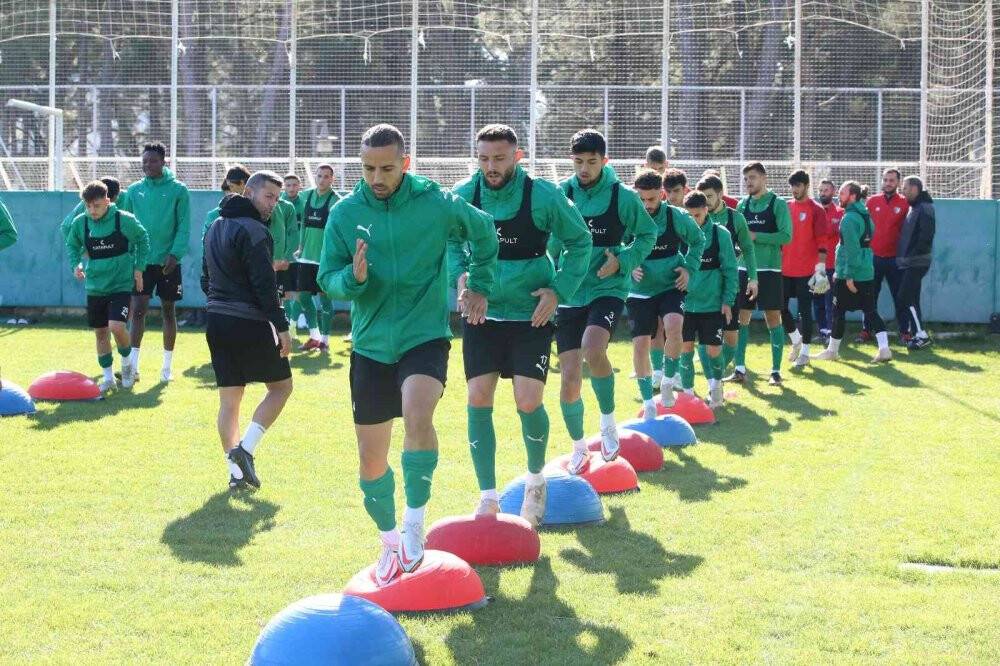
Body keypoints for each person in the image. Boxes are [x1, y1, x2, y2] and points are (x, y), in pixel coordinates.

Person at [317, 124, 497, 586]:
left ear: (406, 163)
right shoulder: (345, 213)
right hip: (371, 346)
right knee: (371, 462)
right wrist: (351, 280)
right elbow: (327, 277)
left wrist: (478, 284)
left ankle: (416, 520)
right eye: (368, 168)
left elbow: (485, 234)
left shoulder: (436, 203)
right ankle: (391, 542)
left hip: (424, 335)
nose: (376, 177)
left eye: (386, 168)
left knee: (418, 416)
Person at [449, 124, 590, 525]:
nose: (490, 167)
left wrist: (558, 290)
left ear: (517, 156)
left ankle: (535, 480)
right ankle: (488, 498)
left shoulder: (543, 195)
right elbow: (449, 243)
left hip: (531, 314)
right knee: (478, 397)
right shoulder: (463, 196)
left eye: (499, 158)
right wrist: (461, 280)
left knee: (528, 400)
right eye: (483, 159)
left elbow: (580, 242)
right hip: (483, 314)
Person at [549, 129, 656, 474]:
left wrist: (623, 260)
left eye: (591, 162)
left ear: (604, 161)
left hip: (607, 287)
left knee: (593, 349)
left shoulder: (621, 195)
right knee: (568, 376)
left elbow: (647, 234)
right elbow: (549, 242)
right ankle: (579, 448)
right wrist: (549, 278)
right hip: (569, 290)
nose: (584, 169)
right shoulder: (561, 193)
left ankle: (608, 422)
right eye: (578, 162)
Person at [202, 171, 293, 492]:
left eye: (278, 200)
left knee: (229, 401)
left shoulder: (214, 226)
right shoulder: (255, 231)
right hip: (248, 321)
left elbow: (205, 278)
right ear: (250, 192)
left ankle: (236, 474)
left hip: (215, 320)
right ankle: (246, 450)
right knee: (281, 388)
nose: (273, 205)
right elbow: (265, 285)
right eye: (269, 197)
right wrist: (281, 327)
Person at [627, 169, 704, 417]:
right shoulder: (629, 216)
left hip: (671, 284)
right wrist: (628, 262)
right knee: (641, 343)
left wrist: (689, 269)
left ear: (661, 195)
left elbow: (698, 240)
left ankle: (669, 380)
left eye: (651, 199)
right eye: (642, 199)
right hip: (639, 290)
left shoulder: (677, 216)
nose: (647, 205)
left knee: (673, 326)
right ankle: (649, 402)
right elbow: (613, 244)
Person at [117, 142, 191, 384]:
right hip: (141, 263)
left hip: (168, 262)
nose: (147, 165)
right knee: (137, 311)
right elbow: (126, 227)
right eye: (145, 161)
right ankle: (132, 368)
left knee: (168, 312)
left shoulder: (178, 190)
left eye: (153, 160)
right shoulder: (134, 191)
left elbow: (183, 225)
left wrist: (175, 254)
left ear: (163, 162)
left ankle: (166, 369)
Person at [65, 181, 149, 392]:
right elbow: (72, 244)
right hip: (95, 286)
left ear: (108, 201)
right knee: (101, 333)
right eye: (88, 206)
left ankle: (128, 362)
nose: (92, 211)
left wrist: (139, 269)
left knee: (117, 327)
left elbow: (142, 239)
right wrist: (76, 264)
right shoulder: (80, 223)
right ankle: (108, 378)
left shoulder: (124, 220)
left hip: (120, 284)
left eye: (97, 206)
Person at [812, 181, 892, 363]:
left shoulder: (848, 219)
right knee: (871, 310)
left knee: (838, 311)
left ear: (853, 196)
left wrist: (847, 275)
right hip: (866, 271)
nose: (839, 196)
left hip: (851, 273)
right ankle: (884, 348)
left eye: (842, 193)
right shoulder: (865, 215)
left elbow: (851, 250)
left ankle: (832, 351)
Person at [732, 161, 792, 386]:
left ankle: (775, 371)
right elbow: (736, 236)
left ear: (764, 178)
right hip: (744, 269)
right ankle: (739, 368)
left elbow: (786, 236)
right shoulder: (741, 205)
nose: (749, 182)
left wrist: (757, 236)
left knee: (773, 318)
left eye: (753, 177)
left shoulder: (778, 204)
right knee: (741, 317)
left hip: (770, 270)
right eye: (746, 178)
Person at [679, 191, 737, 408]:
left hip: (712, 304)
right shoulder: (679, 234)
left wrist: (727, 301)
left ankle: (716, 387)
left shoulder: (721, 234)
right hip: (684, 304)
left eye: (698, 215)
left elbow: (731, 270)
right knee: (685, 349)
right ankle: (687, 395)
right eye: (690, 215)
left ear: (706, 210)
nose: (694, 219)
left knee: (714, 350)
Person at [696, 174, 758, 378]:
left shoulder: (735, 217)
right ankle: (713, 382)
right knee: (705, 339)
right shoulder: (695, 218)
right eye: (702, 197)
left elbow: (748, 248)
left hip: (729, 285)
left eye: (709, 196)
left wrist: (753, 278)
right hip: (702, 287)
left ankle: (718, 373)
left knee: (731, 337)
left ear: (721, 194)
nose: (705, 202)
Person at [781, 169, 829, 368]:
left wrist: (820, 269)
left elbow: (822, 241)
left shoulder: (816, 209)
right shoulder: (785, 207)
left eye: (798, 186)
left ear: (806, 186)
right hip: (784, 269)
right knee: (780, 308)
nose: (794, 190)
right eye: (792, 186)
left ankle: (806, 352)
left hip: (806, 271)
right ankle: (796, 340)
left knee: (804, 311)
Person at [861, 167, 910, 343]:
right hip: (873, 258)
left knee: (900, 296)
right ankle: (867, 330)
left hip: (895, 259)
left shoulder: (905, 203)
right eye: (885, 180)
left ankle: (905, 332)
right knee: (869, 296)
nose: (888, 183)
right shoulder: (872, 201)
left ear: (898, 183)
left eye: (892, 180)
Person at [295, 164, 340, 351]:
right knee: (303, 298)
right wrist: (300, 246)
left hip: (324, 260)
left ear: (332, 179)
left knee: (325, 300)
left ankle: (325, 340)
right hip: (306, 258)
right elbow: (303, 224)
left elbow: (336, 230)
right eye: (319, 176)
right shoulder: (305, 196)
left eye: (326, 176)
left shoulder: (336, 201)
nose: (322, 179)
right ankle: (314, 336)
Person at [897, 176, 936, 350]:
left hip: (917, 262)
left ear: (914, 189)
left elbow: (926, 235)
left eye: (905, 188)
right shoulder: (915, 207)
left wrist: (913, 254)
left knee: (904, 297)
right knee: (912, 298)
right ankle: (917, 334)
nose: (902, 191)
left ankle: (921, 335)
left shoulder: (924, 207)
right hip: (911, 261)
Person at [814, 178, 843, 339]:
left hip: (833, 264)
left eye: (826, 190)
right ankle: (823, 330)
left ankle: (832, 332)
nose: (823, 193)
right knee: (818, 299)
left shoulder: (840, 212)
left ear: (833, 191)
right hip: (818, 264)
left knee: (830, 300)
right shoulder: (815, 211)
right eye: (821, 190)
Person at [279, 173, 305, 328]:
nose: (291, 188)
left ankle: (294, 323)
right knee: (284, 293)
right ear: (284, 186)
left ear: (300, 185)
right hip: (282, 255)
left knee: (300, 292)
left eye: (294, 185)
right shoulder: (279, 203)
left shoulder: (306, 202)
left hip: (301, 255)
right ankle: (285, 323)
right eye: (288, 185)